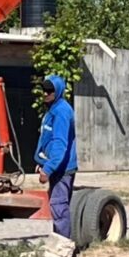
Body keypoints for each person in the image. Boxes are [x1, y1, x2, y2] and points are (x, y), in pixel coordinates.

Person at [35, 75, 78, 244]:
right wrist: (41, 161)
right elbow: (47, 140)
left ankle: (64, 248)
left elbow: (60, 144)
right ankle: (59, 243)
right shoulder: (53, 109)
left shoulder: (61, 112)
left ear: (58, 91)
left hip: (63, 169)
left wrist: (48, 169)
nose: (46, 93)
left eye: (50, 90)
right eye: (44, 90)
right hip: (56, 166)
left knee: (58, 206)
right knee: (56, 206)